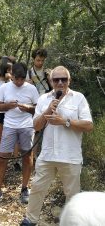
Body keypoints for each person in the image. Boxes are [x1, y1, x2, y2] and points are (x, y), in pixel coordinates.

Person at [20, 66, 93, 226]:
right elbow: (36, 127)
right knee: (37, 189)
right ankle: (30, 220)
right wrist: (47, 110)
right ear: (51, 81)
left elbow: (88, 125)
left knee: (72, 196)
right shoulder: (44, 99)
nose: (60, 82)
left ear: (69, 80)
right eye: (56, 79)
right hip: (47, 156)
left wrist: (65, 121)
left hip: (70, 156)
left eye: (64, 79)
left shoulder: (79, 98)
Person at [0, 62, 39, 206]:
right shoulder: (4, 87)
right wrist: (8, 106)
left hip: (27, 126)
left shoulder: (31, 88)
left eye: (22, 79)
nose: (19, 82)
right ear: (12, 76)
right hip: (9, 126)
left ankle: (24, 188)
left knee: (27, 156)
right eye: (17, 78)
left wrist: (28, 108)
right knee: (2, 157)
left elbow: (37, 109)